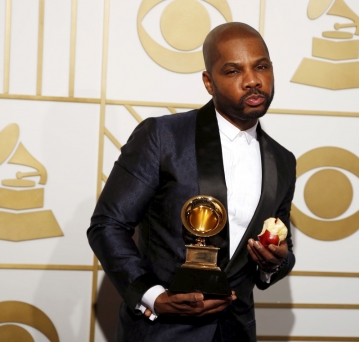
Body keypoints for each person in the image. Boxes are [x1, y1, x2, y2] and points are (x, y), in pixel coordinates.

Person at [87, 22, 296, 342]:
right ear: (209, 83)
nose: (253, 80)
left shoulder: (283, 160)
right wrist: (154, 296)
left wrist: (273, 263)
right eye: (232, 71)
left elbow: (278, 252)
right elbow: (107, 225)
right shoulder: (162, 137)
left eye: (261, 66)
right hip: (162, 332)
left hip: (235, 333)